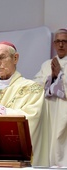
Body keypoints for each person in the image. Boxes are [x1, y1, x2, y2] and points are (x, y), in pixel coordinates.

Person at [33, 28, 67, 167]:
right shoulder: (46, 65)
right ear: (54, 44)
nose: (61, 45)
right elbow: (35, 86)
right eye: (58, 41)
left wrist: (60, 75)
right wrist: (51, 77)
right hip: (48, 113)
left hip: (64, 113)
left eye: (64, 41)